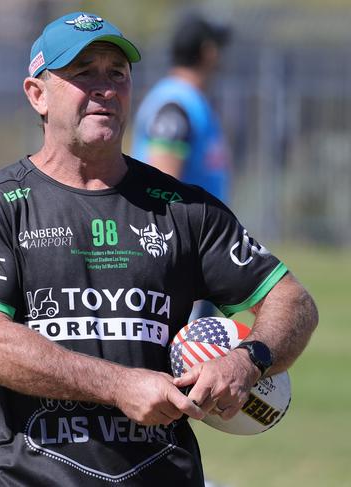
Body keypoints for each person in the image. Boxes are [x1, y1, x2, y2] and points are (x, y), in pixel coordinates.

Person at [0, 11, 318, 487]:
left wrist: (248, 359)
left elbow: (292, 301)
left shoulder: (184, 209)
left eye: (116, 73)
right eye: (83, 73)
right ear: (37, 94)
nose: (104, 88)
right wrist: (120, 386)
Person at [132, 12, 233, 320]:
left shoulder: (190, 100)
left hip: (201, 251)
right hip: (184, 258)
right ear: (207, 51)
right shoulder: (175, 105)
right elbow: (161, 183)